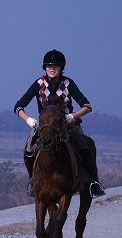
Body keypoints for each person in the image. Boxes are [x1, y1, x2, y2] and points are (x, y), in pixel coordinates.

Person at [14, 49, 106, 198]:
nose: (52, 68)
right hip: (44, 126)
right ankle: (32, 180)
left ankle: (94, 182)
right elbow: (18, 106)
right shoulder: (39, 84)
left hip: (67, 125)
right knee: (28, 150)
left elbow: (87, 106)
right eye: (49, 66)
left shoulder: (68, 83)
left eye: (55, 66)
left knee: (84, 146)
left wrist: (73, 116)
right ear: (44, 68)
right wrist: (28, 119)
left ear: (61, 68)